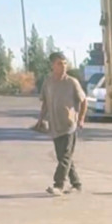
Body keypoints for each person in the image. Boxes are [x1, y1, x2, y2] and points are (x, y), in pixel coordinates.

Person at [36, 51, 88, 195]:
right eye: (60, 63)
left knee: (65, 157)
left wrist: (81, 119)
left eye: (65, 63)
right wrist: (40, 119)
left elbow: (84, 101)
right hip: (55, 125)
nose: (63, 66)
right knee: (63, 157)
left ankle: (58, 185)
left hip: (69, 125)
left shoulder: (72, 82)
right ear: (52, 65)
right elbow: (45, 102)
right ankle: (76, 183)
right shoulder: (48, 82)